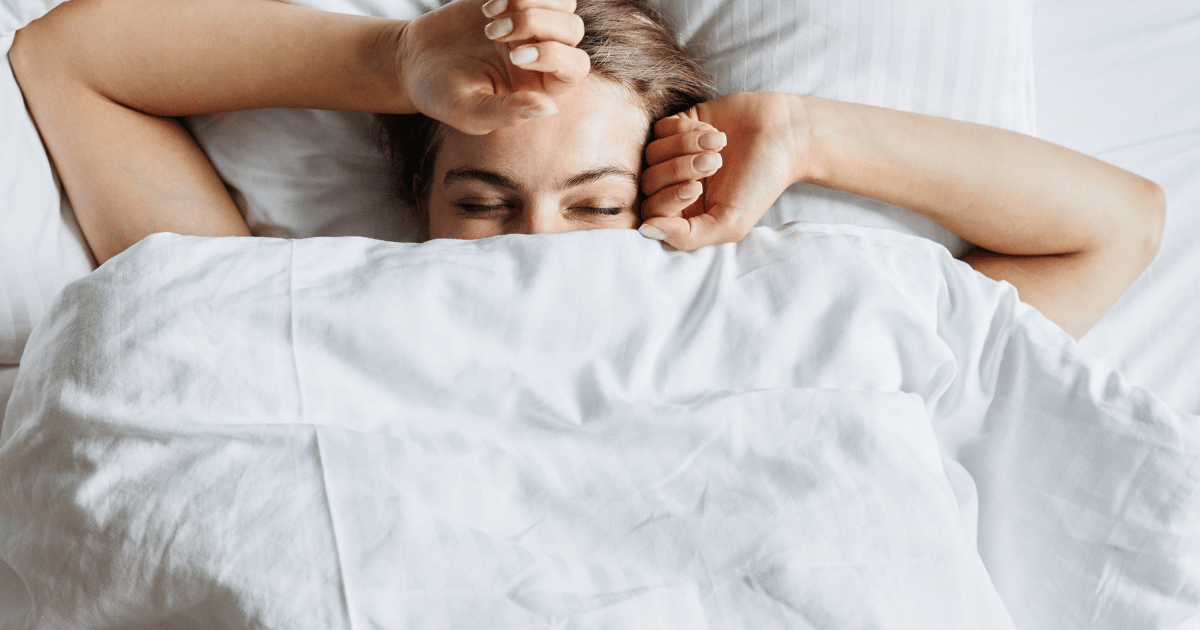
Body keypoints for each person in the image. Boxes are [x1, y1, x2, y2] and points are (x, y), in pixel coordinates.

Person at [9, 0, 1164, 340]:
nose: (535, 250)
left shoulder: (764, 326)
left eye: (595, 204)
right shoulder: (294, 316)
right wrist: (392, 61)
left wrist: (804, 134)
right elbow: (70, 61)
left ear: (658, 201)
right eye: (482, 200)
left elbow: (1116, 224)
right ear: (420, 201)